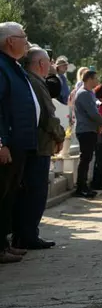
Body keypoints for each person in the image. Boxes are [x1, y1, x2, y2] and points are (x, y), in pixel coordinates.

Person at [13, 46, 65, 250]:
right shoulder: (35, 83)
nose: (51, 66)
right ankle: (27, 235)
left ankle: (25, 234)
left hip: (36, 144)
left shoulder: (30, 80)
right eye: (49, 63)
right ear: (41, 64)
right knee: (35, 192)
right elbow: (47, 115)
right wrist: (59, 135)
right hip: (39, 146)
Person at [0, 22, 39, 263]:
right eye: (22, 37)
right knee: (2, 195)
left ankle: (4, 243)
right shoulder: (2, 67)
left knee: (9, 196)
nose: (26, 41)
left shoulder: (12, 66)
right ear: (9, 41)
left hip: (20, 142)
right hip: (8, 143)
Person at [73, 70, 102, 198]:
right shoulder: (83, 94)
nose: (97, 81)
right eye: (95, 79)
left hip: (91, 129)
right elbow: (92, 113)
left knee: (87, 159)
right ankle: (81, 186)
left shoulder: (89, 93)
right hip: (85, 130)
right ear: (89, 79)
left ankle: (84, 185)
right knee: (85, 158)